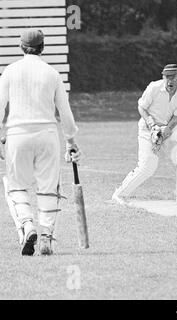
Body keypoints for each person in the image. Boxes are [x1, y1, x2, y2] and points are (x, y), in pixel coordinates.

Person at [0, 29, 82, 256]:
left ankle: (27, 225)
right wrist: (71, 141)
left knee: (16, 186)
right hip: (47, 134)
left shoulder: (10, 71)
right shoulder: (52, 73)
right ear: (43, 47)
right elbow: (64, 112)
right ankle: (46, 237)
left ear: (21, 47)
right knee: (48, 188)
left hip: (17, 134)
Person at [112, 64, 177, 204]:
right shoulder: (154, 88)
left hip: (169, 130)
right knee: (148, 165)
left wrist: (164, 134)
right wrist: (152, 126)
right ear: (163, 77)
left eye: (173, 77)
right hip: (147, 129)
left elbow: (176, 117)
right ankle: (120, 194)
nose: (170, 81)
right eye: (167, 77)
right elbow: (142, 107)